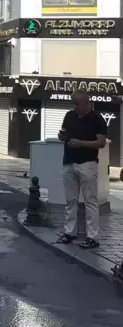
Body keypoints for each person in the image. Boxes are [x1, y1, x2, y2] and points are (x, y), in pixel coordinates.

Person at [57, 92, 107, 249]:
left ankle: (92, 237)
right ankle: (69, 233)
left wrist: (81, 143)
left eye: (77, 103)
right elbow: (63, 133)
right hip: (69, 161)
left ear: (86, 103)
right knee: (70, 200)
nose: (75, 106)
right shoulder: (69, 115)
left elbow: (101, 143)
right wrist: (62, 137)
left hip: (87, 163)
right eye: (73, 103)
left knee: (90, 201)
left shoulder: (97, 119)